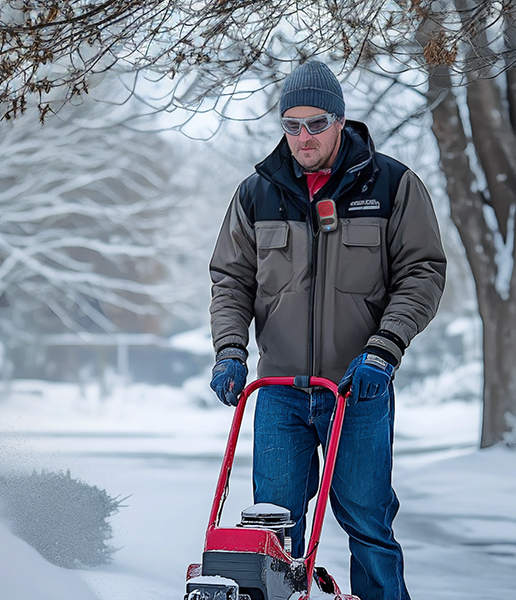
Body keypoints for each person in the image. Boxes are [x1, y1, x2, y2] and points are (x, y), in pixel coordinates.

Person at [207, 60, 446, 600]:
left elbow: (423, 272)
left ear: (341, 120)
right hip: (279, 394)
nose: (303, 137)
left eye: (315, 123)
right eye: (292, 125)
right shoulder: (257, 193)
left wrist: (384, 351)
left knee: (368, 525)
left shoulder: (391, 185)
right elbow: (230, 279)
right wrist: (229, 351)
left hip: (356, 389)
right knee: (271, 529)